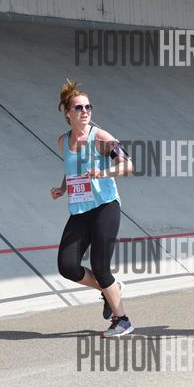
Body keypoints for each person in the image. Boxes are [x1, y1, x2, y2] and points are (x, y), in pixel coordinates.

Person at [50, 79, 135, 337]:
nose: (85, 111)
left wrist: (103, 172)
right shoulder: (63, 141)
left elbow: (128, 165)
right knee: (67, 266)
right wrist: (63, 188)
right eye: (79, 107)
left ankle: (122, 320)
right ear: (68, 113)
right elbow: (72, 169)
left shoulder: (100, 138)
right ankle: (109, 288)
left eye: (88, 107)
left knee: (100, 266)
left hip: (105, 207)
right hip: (79, 210)